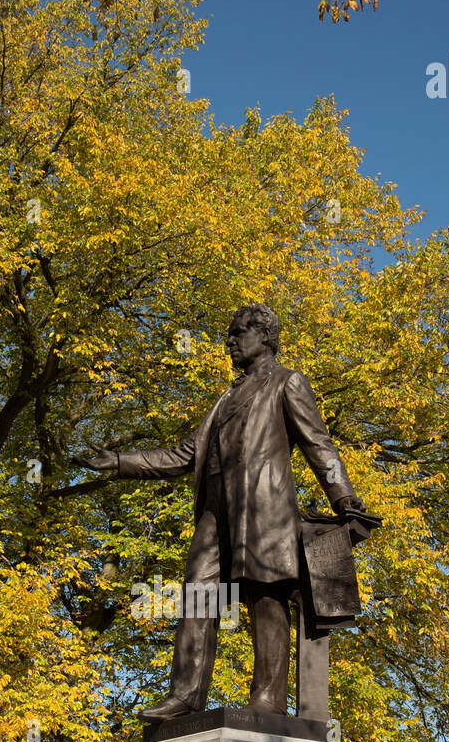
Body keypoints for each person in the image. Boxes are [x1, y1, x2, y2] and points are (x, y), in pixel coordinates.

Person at [77, 304, 365, 720]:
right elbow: (183, 454)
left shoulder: (287, 383)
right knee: (198, 593)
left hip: (264, 509)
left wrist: (343, 496)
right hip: (216, 512)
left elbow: (318, 445)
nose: (229, 341)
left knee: (264, 595)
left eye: (238, 333)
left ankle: (267, 700)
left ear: (264, 337)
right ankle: (185, 695)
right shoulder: (226, 397)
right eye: (229, 334)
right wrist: (120, 462)